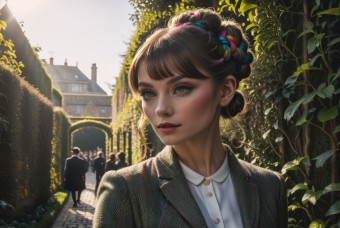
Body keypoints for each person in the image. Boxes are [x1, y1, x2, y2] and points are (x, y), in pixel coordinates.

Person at [94, 8, 287, 227]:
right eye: (149, 93)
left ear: (225, 90)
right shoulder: (125, 190)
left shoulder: (271, 186)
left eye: (181, 88)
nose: (160, 109)